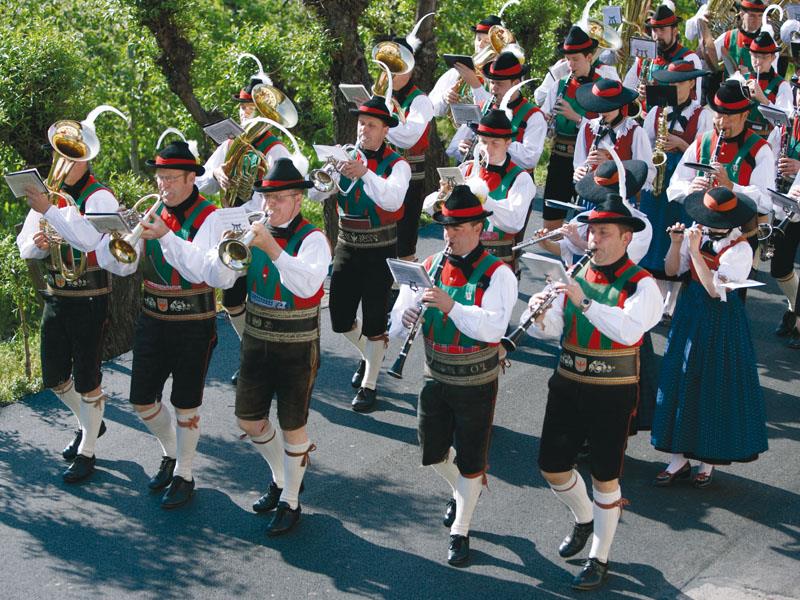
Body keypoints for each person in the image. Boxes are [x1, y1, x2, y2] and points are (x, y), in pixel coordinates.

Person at [523, 195, 661, 590]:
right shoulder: (575, 272)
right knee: (552, 465)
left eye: (604, 233)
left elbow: (629, 331)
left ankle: (599, 557)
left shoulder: (642, 284)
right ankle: (584, 517)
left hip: (612, 388)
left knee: (605, 476)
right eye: (592, 231)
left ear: (625, 238)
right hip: (567, 379)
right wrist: (541, 311)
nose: (594, 239)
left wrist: (582, 301)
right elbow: (549, 332)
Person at [198, 158, 330, 535]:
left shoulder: (313, 238)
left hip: (297, 344)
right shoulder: (255, 233)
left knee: (293, 427)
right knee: (248, 420)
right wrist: (226, 251)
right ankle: (282, 476)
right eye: (267, 199)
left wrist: (272, 248)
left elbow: (307, 286)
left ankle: (291, 500)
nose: (270, 206)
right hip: (256, 340)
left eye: (279, 200)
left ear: (298, 200)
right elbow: (217, 275)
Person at [389, 185, 517, 566]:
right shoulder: (428, 267)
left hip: (476, 379)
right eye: (446, 227)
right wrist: (406, 317)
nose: (450, 235)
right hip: (435, 373)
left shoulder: (499, 274)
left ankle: (460, 529)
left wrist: (450, 306)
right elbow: (395, 320)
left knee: (471, 458)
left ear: (479, 228)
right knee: (432, 450)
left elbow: (493, 329)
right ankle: (467, 489)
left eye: (458, 228)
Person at [97, 138, 218, 509]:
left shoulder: (209, 216)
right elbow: (121, 266)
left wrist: (166, 236)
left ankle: (185, 472)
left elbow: (201, 269)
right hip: (152, 316)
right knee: (141, 400)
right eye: (159, 178)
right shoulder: (153, 211)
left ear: (190, 179)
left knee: (185, 404)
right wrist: (115, 238)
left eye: (169, 178)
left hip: (193, 319)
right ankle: (171, 452)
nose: (162, 185)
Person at [651, 187, 768, 486]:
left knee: (711, 382)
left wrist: (693, 250)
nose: (704, 223)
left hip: (719, 318)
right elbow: (671, 269)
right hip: (690, 311)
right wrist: (677, 244)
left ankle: (707, 459)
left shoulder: (741, 250)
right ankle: (678, 456)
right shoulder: (696, 235)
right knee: (681, 376)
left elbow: (715, 290)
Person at [16, 148, 118, 483]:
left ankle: (88, 450)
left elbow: (88, 240)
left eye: (73, 157)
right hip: (57, 293)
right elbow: (25, 248)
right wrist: (40, 243)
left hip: (90, 295)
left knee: (88, 378)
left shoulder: (99, 196)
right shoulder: (50, 196)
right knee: (55, 377)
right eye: (62, 156)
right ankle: (91, 423)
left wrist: (51, 212)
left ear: (88, 159)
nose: (65, 163)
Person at [308, 96, 411, 412]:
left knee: (375, 320)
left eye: (371, 125)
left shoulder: (398, 165)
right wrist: (329, 172)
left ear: (384, 130)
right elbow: (315, 194)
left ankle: (370, 384)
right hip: (347, 244)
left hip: (380, 248)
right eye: (361, 124)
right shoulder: (346, 155)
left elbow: (392, 201)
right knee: (339, 319)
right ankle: (371, 357)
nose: (364, 130)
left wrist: (364, 172)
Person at [196, 73, 291, 384]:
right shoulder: (231, 144)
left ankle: (273, 360)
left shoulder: (275, 149)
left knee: (265, 299)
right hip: (232, 231)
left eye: (249, 108)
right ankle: (253, 352)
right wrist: (219, 175)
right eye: (241, 107)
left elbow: (282, 196)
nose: (243, 113)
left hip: (263, 232)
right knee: (233, 300)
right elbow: (202, 183)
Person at [667, 78, 775, 263]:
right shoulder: (703, 142)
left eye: (729, 116)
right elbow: (673, 187)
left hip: (740, 239)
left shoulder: (760, 150)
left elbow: (766, 202)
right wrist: (690, 189)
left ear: (744, 115)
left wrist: (731, 186)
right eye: (718, 115)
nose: (721, 122)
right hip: (700, 233)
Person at [641, 61, 713, 319]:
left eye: (679, 83)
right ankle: (657, 298)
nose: (673, 88)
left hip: (684, 176)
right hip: (658, 176)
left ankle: (673, 300)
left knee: (678, 231)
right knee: (657, 235)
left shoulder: (702, 114)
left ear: (692, 83)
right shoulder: (656, 112)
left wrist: (682, 144)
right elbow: (645, 143)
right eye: (670, 83)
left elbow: (705, 151)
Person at [425, 109, 535, 271]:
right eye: (483, 141)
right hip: (459, 257)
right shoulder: (466, 169)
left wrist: (482, 198)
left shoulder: (521, 178)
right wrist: (444, 194)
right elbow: (428, 207)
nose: (487, 149)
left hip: (498, 263)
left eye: (494, 143)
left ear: (508, 143)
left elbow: (514, 223)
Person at [541, 25, 605, 231]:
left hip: (588, 162)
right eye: (568, 59)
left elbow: (608, 126)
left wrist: (577, 118)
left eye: (575, 59)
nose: (570, 65)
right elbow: (543, 118)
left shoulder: (604, 87)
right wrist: (548, 121)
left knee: (584, 224)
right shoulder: (560, 85)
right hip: (559, 158)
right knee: (551, 222)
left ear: (589, 57)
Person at [379, 30, 435, 262]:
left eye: (397, 68)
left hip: (411, 173)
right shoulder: (382, 96)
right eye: (386, 68)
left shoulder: (420, 100)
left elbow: (409, 137)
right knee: (383, 229)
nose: (390, 74)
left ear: (409, 69)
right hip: (382, 169)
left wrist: (380, 119)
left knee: (405, 233)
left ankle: (404, 287)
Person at [453, 52, 546, 173]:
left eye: (499, 84)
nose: (493, 89)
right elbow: (456, 147)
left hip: (514, 183)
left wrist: (498, 140)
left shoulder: (533, 116)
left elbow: (529, 159)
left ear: (516, 84)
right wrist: (462, 147)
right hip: (481, 178)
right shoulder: (482, 107)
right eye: (492, 82)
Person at [572, 79, 655, 193]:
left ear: (620, 106)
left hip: (620, 198)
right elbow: (579, 163)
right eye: (599, 107)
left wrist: (612, 167)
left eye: (608, 107)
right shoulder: (587, 128)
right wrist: (579, 172)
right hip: (590, 194)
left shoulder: (635, 132)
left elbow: (648, 174)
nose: (603, 112)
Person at [622, 4, 703, 113]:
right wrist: (638, 93)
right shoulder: (645, 56)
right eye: (654, 30)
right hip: (645, 119)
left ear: (674, 31)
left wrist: (652, 94)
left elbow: (694, 100)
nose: (657, 34)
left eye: (662, 29)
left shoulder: (689, 58)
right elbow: (627, 87)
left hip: (675, 122)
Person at [744, 31, 793, 139]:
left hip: (769, 139)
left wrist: (764, 100)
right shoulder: (742, 79)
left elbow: (785, 124)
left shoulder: (782, 86)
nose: (758, 61)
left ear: (773, 58)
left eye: (764, 57)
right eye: (755, 56)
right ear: (750, 54)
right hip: (743, 137)